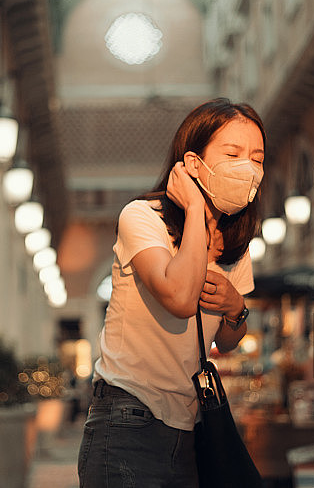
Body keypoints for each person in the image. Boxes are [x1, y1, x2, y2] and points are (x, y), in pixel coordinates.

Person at [77, 98, 265, 487]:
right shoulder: (143, 218)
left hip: (191, 424)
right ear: (194, 164)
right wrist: (196, 210)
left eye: (257, 157)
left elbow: (227, 342)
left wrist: (236, 309)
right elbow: (180, 299)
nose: (247, 167)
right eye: (232, 153)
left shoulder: (235, 244)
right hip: (128, 418)